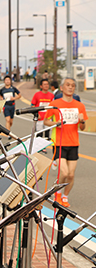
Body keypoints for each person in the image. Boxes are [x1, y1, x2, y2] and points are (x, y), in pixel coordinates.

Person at [44, 78, 88, 208]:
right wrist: (55, 124)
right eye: (68, 85)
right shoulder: (55, 103)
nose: (70, 87)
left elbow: (82, 128)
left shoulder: (79, 105)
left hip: (74, 143)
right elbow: (46, 121)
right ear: (62, 88)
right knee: (64, 173)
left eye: (73, 86)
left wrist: (82, 121)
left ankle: (65, 196)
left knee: (71, 174)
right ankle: (57, 192)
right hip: (59, 143)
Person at [31, 79, 54, 152]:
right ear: (41, 86)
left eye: (47, 84)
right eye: (44, 84)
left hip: (48, 119)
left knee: (47, 134)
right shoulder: (37, 95)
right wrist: (37, 115)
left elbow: (53, 107)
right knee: (39, 134)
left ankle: (44, 147)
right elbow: (32, 106)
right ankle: (38, 147)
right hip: (40, 119)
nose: (46, 85)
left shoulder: (51, 95)